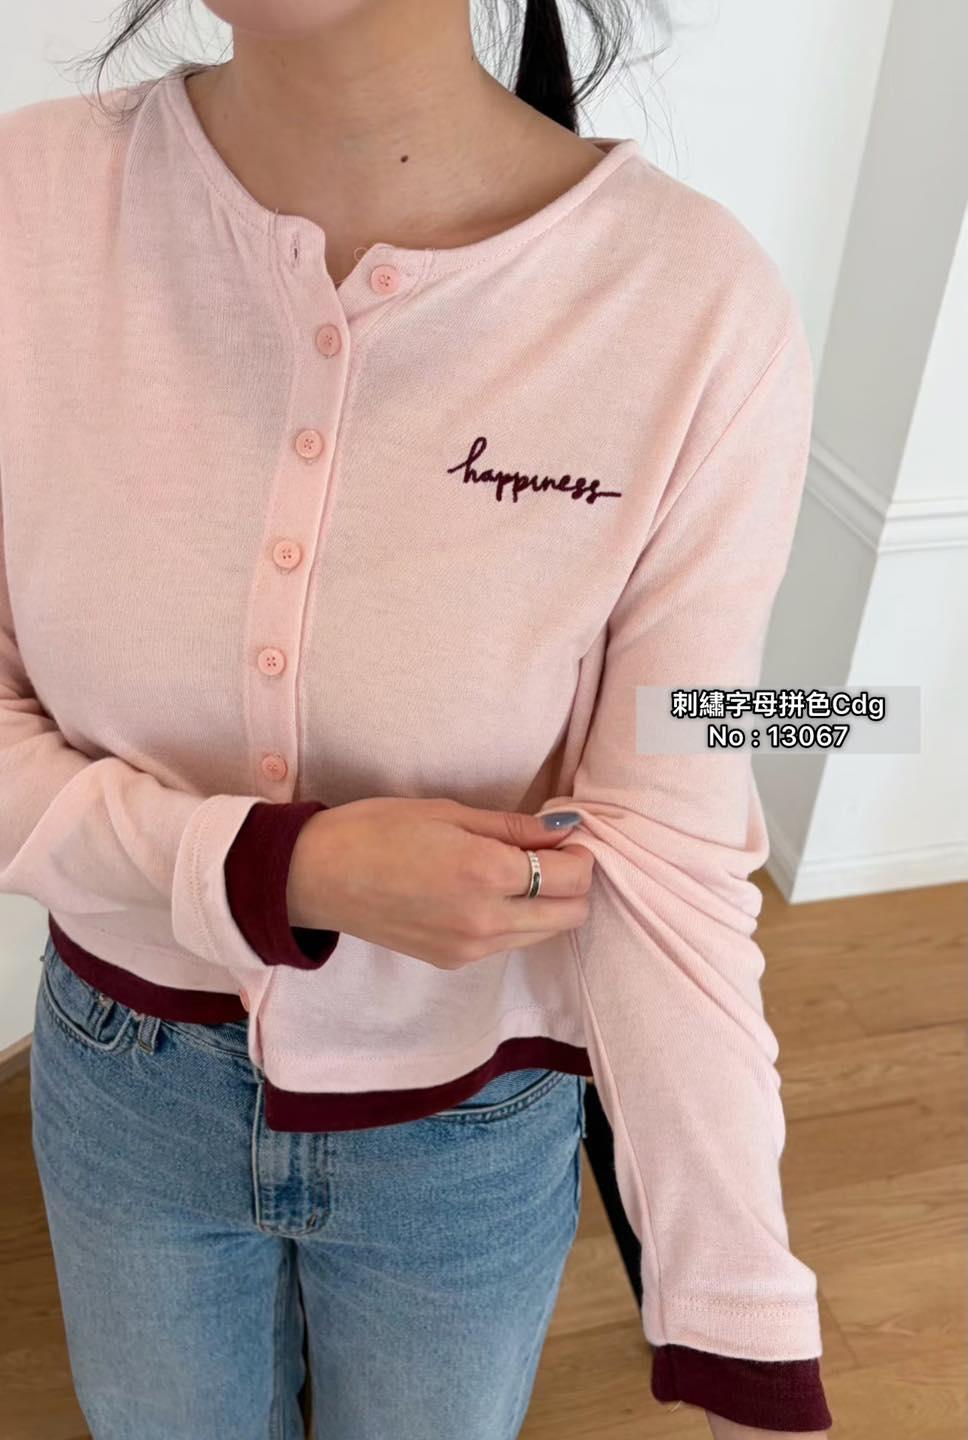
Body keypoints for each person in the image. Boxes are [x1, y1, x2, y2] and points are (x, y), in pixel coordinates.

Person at [0, 1, 833, 1436]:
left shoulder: (695, 307)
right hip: (121, 1077)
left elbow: (673, 846)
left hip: (469, 1121)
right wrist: (282, 868)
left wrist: (741, 1315)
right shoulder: (31, 206)